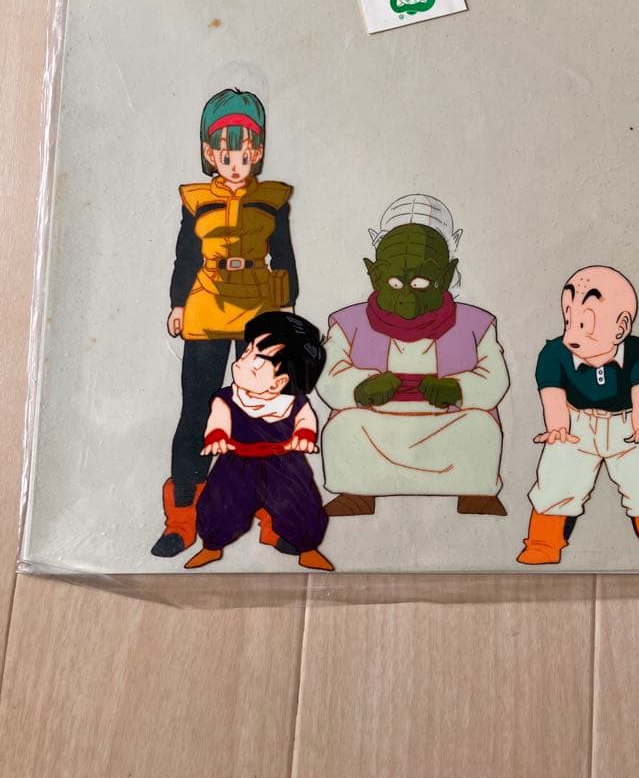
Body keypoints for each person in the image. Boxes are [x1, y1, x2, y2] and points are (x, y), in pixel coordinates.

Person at [151, 88, 299, 558]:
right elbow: (186, 256)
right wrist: (178, 304)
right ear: (209, 153)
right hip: (207, 305)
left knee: (262, 411)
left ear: (258, 151)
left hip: (259, 309)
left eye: (246, 153)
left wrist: (287, 305)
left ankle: (270, 516)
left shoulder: (273, 199)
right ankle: (182, 520)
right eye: (226, 154)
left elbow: (284, 255)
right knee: (197, 410)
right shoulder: (196, 199)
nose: (236, 164)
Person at [317, 195, 510, 517]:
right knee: (346, 426)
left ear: (446, 276)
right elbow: (330, 374)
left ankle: (474, 492)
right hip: (374, 421)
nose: (407, 294)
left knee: (479, 426)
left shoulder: (476, 324)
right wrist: (361, 387)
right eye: (395, 282)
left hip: (448, 420)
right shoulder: (347, 323)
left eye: (420, 282)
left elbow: (494, 379)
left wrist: (458, 389)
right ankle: (357, 492)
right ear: (375, 275)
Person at [517, 265, 639, 566]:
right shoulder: (553, 354)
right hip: (575, 425)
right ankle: (543, 545)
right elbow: (552, 394)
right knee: (557, 483)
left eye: (586, 324)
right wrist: (557, 427)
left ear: (621, 328)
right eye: (569, 319)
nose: (572, 334)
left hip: (628, 425)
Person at [184, 311, 332, 571]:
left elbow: (305, 419)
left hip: (285, 462)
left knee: (301, 504)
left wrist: (304, 436)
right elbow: (219, 419)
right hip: (237, 462)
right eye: (246, 352)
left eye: (255, 360)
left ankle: (308, 549)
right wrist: (217, 437)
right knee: (220, 504)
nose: (240, 362)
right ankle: (212, 546)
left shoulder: (292, 402)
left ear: (279, 382)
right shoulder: (228, 397)